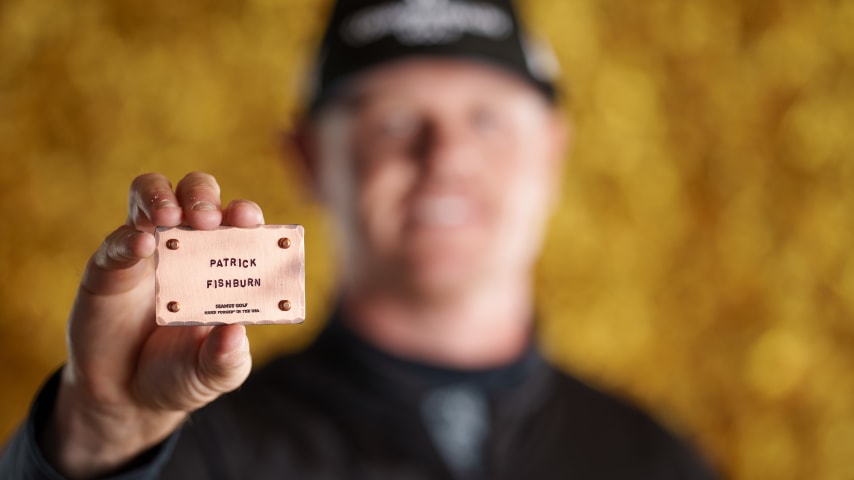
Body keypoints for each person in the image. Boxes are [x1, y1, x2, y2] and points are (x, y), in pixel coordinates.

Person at [1, 0, 717, 478]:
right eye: (394, 121)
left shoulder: (653, 458)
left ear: (554, 152)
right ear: (309, 159)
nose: (447, 157)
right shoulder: (190, 446)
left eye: (489, 120)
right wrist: (103, 429)